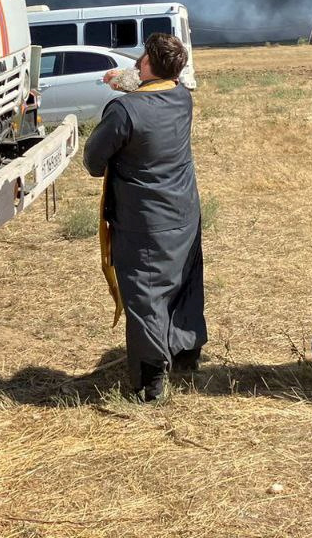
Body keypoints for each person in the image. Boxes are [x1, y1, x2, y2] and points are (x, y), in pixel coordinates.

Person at [83, 33, 207, 402]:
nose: (137, 62)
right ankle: (186, 353)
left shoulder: (124, 111)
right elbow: (155, 86)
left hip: (144, 219)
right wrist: (123, 81)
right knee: (184, 281)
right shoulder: (181, 97)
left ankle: (151, 382)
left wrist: (119, 95)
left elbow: (93, 161)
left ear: (150, 62)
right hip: (183, 210)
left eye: (141, 57)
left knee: (146, 294)